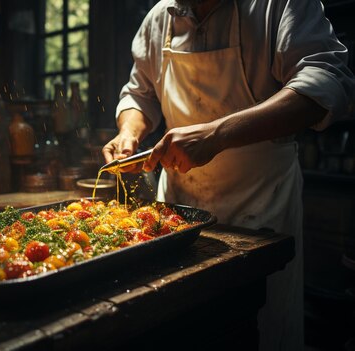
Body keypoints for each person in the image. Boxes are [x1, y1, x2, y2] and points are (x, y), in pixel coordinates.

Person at [102, 0, 355, 349]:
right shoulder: (160, 17)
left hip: (261, 207)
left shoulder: (277, 6)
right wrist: (129, 132)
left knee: (257, 331)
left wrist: (217, 134)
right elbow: (139, 94)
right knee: (178, 328)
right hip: (177, 215)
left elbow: (327, 81)